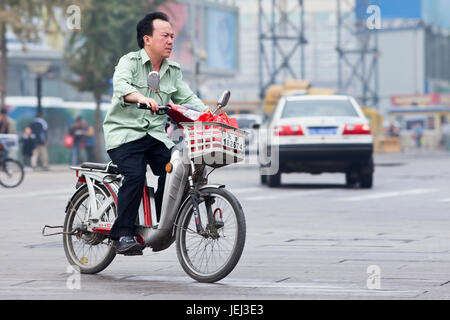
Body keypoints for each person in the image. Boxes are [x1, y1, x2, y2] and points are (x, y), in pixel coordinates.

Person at [103, 12, 208, 254]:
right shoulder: (129, 62)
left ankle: (161, 223)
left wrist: (211, 115)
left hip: (154, 136)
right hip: (124, 135)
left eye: (172, 36)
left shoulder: (173, 70)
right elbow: (122, 86)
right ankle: (122, 234)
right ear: (147, 39)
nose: (171, 40)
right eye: (165, 36)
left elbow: (188, 98)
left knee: (178, 169)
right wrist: (141, 98)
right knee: (136, 174)